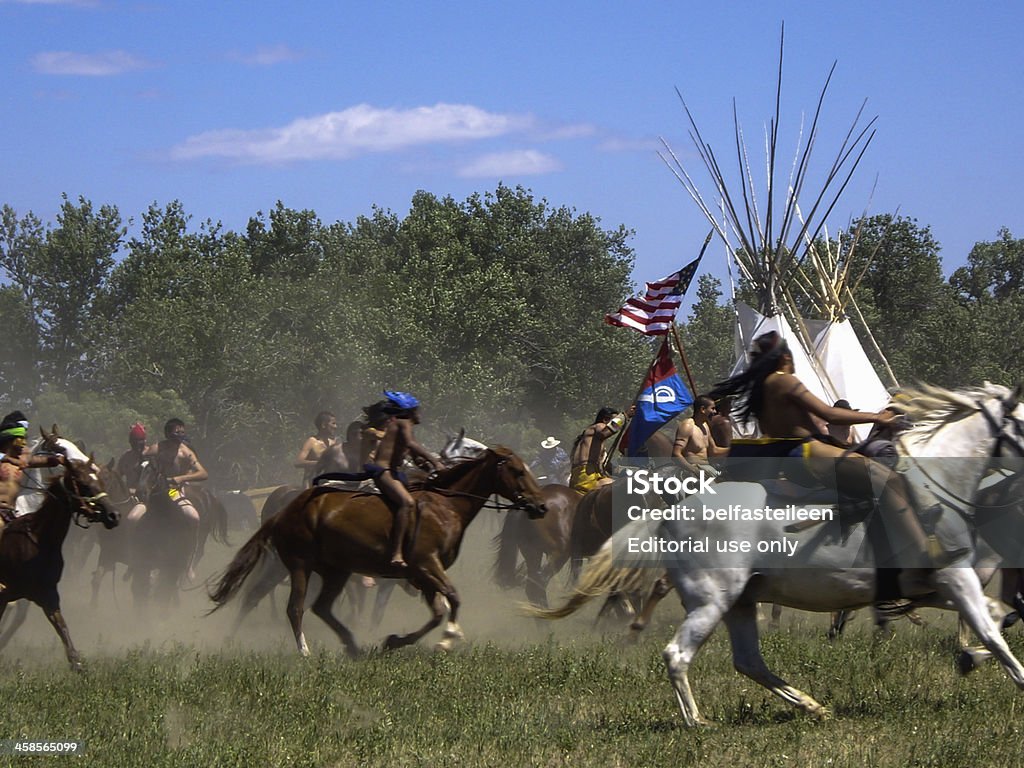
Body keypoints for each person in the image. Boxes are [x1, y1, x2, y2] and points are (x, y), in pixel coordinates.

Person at [709, 330, 967, 581]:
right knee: (891, 481)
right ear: (785, 357)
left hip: (790, 457)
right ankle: (923, 557)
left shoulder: (762, 388)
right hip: (807, 453)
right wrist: (878, 417)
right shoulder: (784, 379)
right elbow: (829, 414)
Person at [363, 391, 440, 568]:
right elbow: (411, 445)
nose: (419, 414)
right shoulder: (403, 422)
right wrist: (435, 461)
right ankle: (396, 552)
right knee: (407, 503)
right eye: (417, 410)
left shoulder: (403, 427)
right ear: (409, 411)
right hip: (384, 472)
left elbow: (414, 454)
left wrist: (428, 467)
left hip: (395, 473)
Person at [139, 418, 209, 580]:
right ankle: (137, 560)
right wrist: (141, 433)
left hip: (173, 491)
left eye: (182, 432)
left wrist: (181, 478)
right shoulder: (159, 447)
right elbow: (143, 452)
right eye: (176, 432)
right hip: (155, 491)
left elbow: (203, 473)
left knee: (193, 517)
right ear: (168, 433)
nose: (179, 435)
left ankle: (189, 563)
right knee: (138, 518)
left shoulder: (186, 452)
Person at [0, 411, 64, 586]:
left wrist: (58, 460)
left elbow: (39, 460)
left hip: (11, 513)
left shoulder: (21, 461)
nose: (24, 445)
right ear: (10, 439)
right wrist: (9, 460)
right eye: (20, 440)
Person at [569, 406, 631, 494]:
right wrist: (624, 416)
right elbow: (605, 432)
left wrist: (628, 472)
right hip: (586, 475)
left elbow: (608, 467)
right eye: (614, 420)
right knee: (621, 489)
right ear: (605, 420)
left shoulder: (597, 446)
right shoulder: (598, 426)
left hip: (589, 475)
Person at [672, 395, 729, 474]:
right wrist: (695, 471)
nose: (715, 412)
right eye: (712, 408)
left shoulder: (705, 426)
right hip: (693, 469)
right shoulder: (687, 426)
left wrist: (733, 449)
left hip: (708, 468)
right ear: (702, 409)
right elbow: (676, 454)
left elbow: (714, 451)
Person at [115, 422, 149, 521]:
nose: (138, 446)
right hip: (129, 496)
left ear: (145, 441)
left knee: (131, 519)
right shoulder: (126, 457)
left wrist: (138, 490)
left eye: (140, 442)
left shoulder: (152, 455)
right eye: (135, 442)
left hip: (146, 498)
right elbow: (117, 476)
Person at [294, 411, 338, 486]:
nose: (336, 426)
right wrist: (319, 463)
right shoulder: (311, 441)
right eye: (333, 423)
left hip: (329, 482)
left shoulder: (334, 443)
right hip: (311, 482)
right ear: (323, 425)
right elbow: (298, 462)